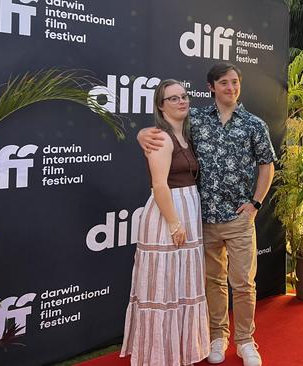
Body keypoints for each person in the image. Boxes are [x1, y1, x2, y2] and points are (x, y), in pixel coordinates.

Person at [138, 63, 276, 366]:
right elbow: (165, 127)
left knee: (243, 284)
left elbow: (267, 165)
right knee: (212, 282)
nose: (231, 88)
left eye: (235, 82)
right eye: (224, 83)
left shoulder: (253, 124)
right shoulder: (196, 119)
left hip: (240, 218)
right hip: (205, 219)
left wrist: (255, 203)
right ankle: (217, 336)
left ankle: (245, 341)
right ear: (211, 86)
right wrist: (141, 135)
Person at [121, 79, 210, 366]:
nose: (181, 101)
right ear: (161, 105)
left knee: (181, 284)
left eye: (184, 96)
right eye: (173, 98)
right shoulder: (159, 137)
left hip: (188, 210)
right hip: (167, 214)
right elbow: (159, 185)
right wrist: (174, 223)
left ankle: (179, 350)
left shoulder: (187, 133)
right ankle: (159, 355)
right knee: (164, 285)